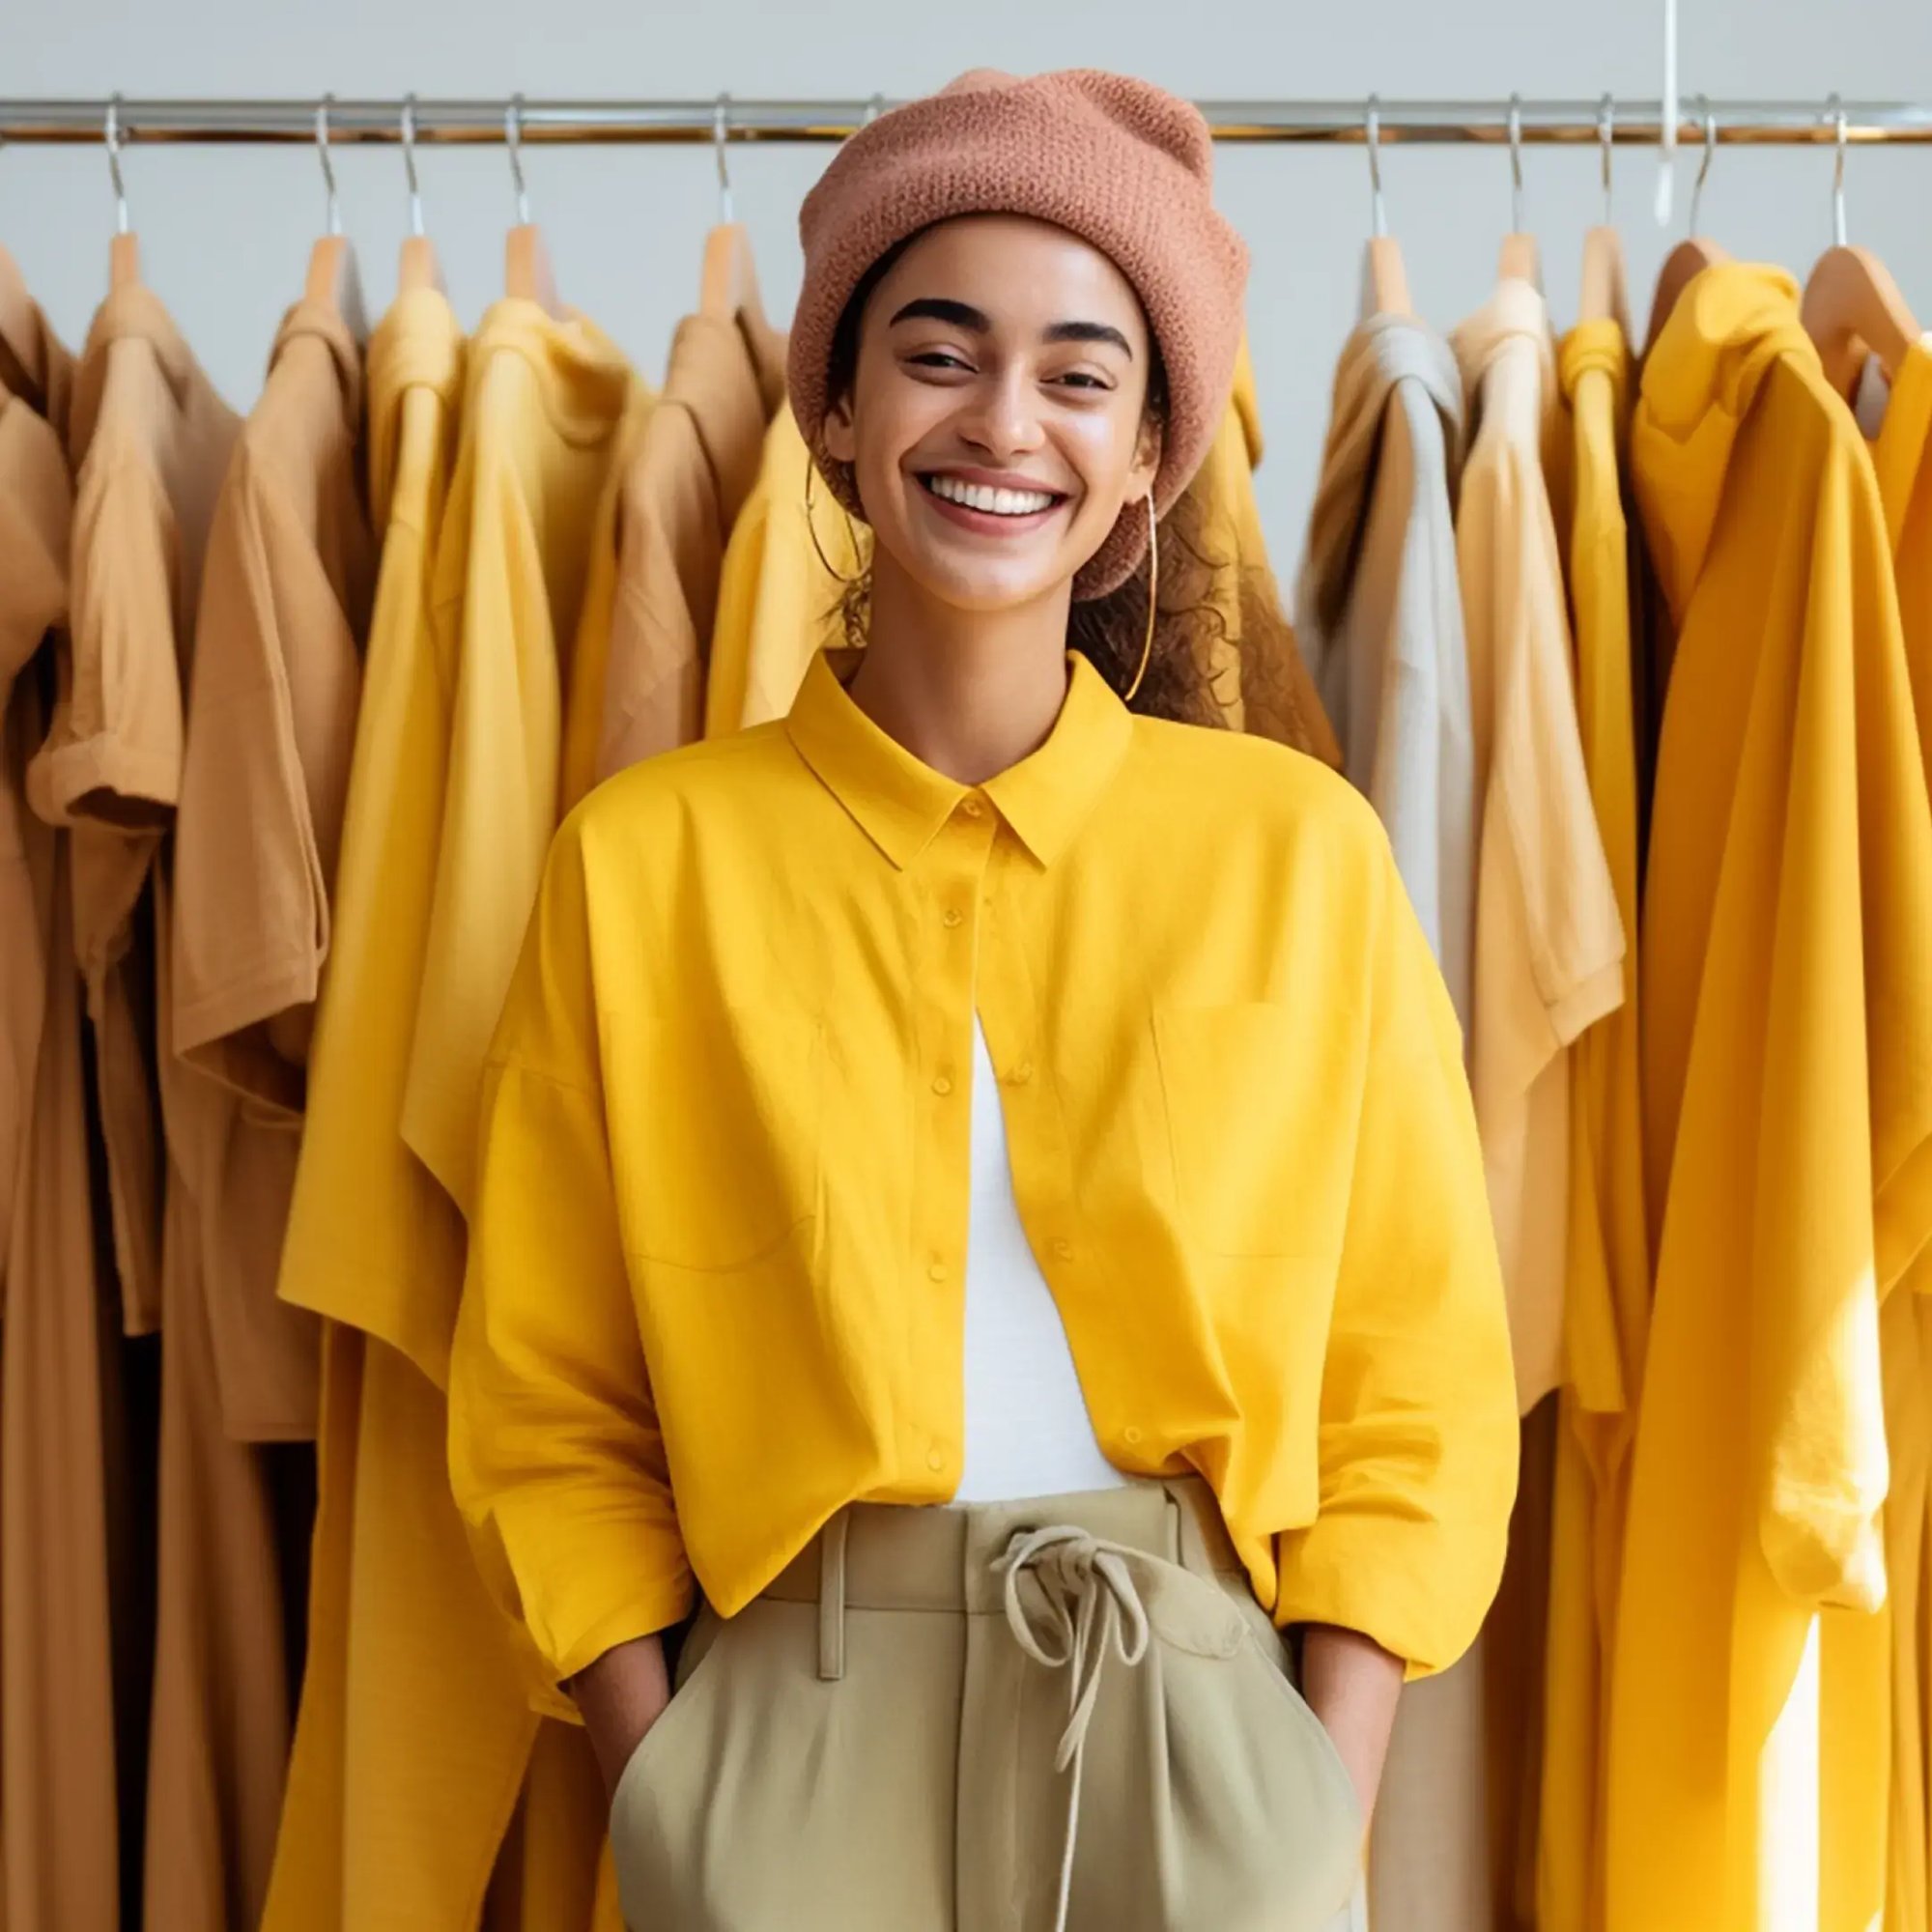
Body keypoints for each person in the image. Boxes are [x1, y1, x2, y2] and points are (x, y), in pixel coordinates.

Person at [447, 67, 1519, 1932]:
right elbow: (548, 1401)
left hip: (1199, 1732)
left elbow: (1412, 1383)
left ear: (1148, 452)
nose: (1004, 423)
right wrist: (671, 1789)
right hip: (786, 1748)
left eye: (1078, 375)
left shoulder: (1301, 857)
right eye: (939, 355)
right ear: (838, 408)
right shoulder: (644, 865)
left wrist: (1308, 1806)